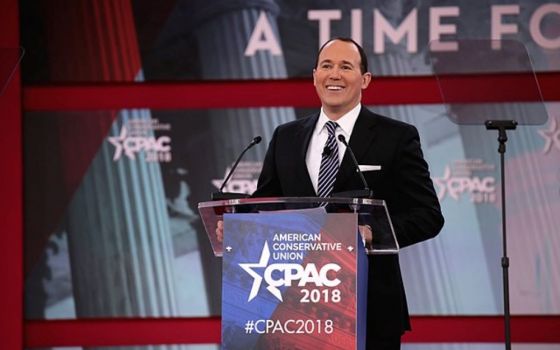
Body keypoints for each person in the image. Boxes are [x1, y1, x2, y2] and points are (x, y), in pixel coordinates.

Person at [251, 37, 444, 349]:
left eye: (345, 66)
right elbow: (266, 205)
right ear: (314, 76)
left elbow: (428, 216)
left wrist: (372, 233)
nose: (334, 74)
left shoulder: (396, 137)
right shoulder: (285, 137)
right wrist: (235, 227)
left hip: (370, 307)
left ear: (365, 79)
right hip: (296, 308)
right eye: (326, 66)